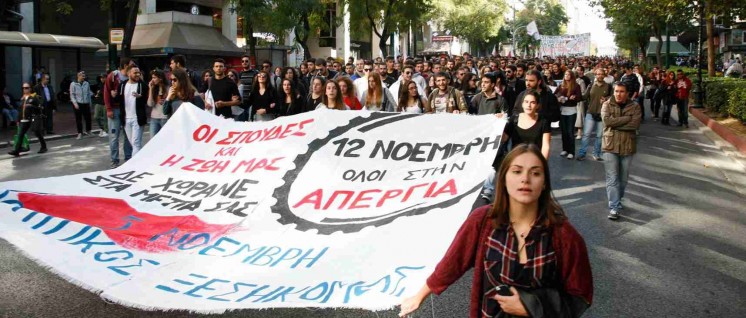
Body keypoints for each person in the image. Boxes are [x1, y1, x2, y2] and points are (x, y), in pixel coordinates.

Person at [400, 143, 593, 318]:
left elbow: (581, 296)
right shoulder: (483, 221)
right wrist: (419, 296)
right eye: (517, 172)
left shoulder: (565, 236)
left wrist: (532, 306)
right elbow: (452, 263)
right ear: (504, 179)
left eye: (535, 173)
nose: (525, 179)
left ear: (544, 184)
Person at [601, 82, 642, 220]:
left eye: (622, 91)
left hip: (627, 146)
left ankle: (617, 199)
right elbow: (607, 122)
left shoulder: (635, 106)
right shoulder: (607, 104)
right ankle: (614, 207)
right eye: (616, 91)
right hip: (609, 145)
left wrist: (616, 123)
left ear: (627, 93)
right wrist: (626, 119)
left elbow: (635, 124)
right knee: (612, 178)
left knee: (623, 179)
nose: (619, 94)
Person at [104, 58, 135, 168]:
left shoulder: (133, 77)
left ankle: (128, 158)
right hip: (115, 110)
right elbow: (107, 92)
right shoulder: (113, 76)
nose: (134, 66)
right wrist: (108, 109)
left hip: (127, 110)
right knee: (114, 136)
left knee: (128, 135)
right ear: (126, 66)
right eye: (132, 65)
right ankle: (114, 160)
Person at [577, 68, 612, 161]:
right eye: (598, 74)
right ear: (595, 75)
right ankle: (582, 153)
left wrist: (607, 98)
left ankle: (596, 153)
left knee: (599, 136)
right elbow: (584, 97)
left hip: (602, 114)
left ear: (604, 75)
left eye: (601, 74)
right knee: (586, 134)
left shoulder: (608, 86)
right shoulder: (591, 85)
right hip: (590, 113)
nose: (600, 76)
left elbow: (613, 98)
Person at [116, 65, 148, 156]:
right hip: (126, 119)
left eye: (139, 73)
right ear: (129, 73)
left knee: (136, 143)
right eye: (135, 73)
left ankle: (135, 166)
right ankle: (141, 160)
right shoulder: (122, 85)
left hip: (137, 119)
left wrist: (140, 97)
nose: (137, 74)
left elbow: (147, 100)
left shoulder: (142, 85)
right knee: (133, 144)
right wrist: (114, 95)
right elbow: (118, 100)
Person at [8, 83, 47, 156]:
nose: (24, 89)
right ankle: (16, 151)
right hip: (24, 119)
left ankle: (44, 147)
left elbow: (40, 108)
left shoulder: (34, 97)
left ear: (30, 89)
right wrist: (18, 120)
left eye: (26, 88)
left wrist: (31, 106)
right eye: (23, 88)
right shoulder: (23, 98)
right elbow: (20, 110)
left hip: (33, 118)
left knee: (37, 132)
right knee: (20, 134)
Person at [555, 70, 582, 159]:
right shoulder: (561, 85)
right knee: (564, 132)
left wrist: (573, 98)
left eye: (568, 74)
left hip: (572, 111)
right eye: (565, 74)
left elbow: (579, 97)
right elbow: (554, 94)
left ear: (572, 76)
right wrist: (558, 98)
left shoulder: (576, 86)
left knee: (570, 132)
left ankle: (571, 151)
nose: (566, 76)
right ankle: (565, 149)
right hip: (562, 111)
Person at [69, 70, 93, 139]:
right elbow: (72, 95)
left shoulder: (87, 83)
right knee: (78, 119)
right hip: (78, 103)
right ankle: (80, 133)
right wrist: (75, 103)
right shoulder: (73, 84)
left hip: (86, 103)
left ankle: (88, 131)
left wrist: (90, 102)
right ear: (78, 76)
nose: (84, 77)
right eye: (82, 76)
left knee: (88, 118)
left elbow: (88, 94)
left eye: (84, 76)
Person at [147, 70, 168, 137]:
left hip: (164, 117)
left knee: (164, 140)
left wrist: (164, 101)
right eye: (152, 78)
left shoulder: (168, 88)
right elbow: (150, 104)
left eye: (154, 77)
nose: (152, 80)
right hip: (154, 117)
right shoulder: (153, 89)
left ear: (160, 78)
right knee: (152, 140)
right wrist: (150, 89)